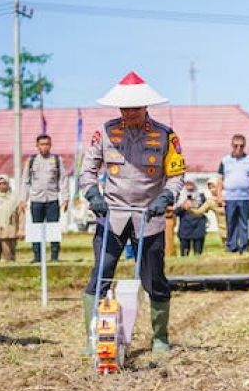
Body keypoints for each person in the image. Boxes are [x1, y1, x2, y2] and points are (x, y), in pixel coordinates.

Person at [80, 71, 186, 354]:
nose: (128, 114)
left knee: (155, 279)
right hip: (111, 214)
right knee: (101, 273)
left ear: (145, 107)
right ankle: (93, 340)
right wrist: (93, 194)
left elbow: (176, 176)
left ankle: (160, 337)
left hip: (148, 217)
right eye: (124, 108)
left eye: (134, 109)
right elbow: (87, 172)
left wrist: (165, 196)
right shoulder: (105, 132)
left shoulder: (166, 135)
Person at [19, 134, 69, 262]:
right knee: (36, 229)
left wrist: (65, 198)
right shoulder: (31, 161)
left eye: (47, 144)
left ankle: (54, 256)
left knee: (53, 228)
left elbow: (63, 180)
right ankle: (37, 257)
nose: (44, 147)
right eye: (42, 144)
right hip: (36, 200)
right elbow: (25, 181)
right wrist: (23, 200)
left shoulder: (57, 160)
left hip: (52, 200)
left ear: (50, 145)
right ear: (37, 146)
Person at [216, 134, 249, 253]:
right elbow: (220, 179)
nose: (238, 148)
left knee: (244, 223)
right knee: (230, 222)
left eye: (241, 146)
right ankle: (231, 246)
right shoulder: (225, 160)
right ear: (232, 145)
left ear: (244, 146)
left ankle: (244, 246)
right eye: (236, 145)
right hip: (229, 197)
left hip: (245, 197)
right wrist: (219, 196)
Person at [189, 178, 227, 245]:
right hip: (223, 230)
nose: (212, 190)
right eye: (210, 188)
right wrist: (189, 207)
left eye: (214, 187)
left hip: (235, 228)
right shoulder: (210, 201)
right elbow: (199, 212)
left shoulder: (230, 197)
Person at [175, 179, 207, 256]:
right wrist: (183, 206)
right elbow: (176, 212)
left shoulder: (201, 196)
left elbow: (205, 209)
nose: (189, 186)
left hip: (198, 225)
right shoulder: (180, 196)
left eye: (191, 184)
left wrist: (195, 205)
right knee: (184, 251)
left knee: (198, 252)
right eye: (187, 184)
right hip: (185, 225)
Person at [0, 174, 24, 261]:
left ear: (8, 184)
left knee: (8, 258)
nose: (2, 185)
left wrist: (21, 230)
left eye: (4, 183)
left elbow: (21, 215)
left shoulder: (15, 198)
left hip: (9, 232)